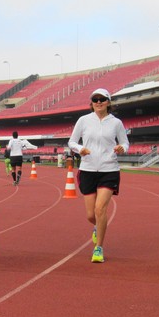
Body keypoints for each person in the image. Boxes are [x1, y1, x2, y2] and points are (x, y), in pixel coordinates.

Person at [68, 88, 129, 263]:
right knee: (90, 214)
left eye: (102, 99)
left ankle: (98, 248)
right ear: (91, 103)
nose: (99, 102)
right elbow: (72, 141)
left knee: (100, 208)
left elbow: (125, 142)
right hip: (87, 169)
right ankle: (97, 226)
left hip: (109, 169)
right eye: (95, 99)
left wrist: (122, 148)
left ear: (108, 102)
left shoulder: (116, 123)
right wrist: (80, 149)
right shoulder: (84, 120)